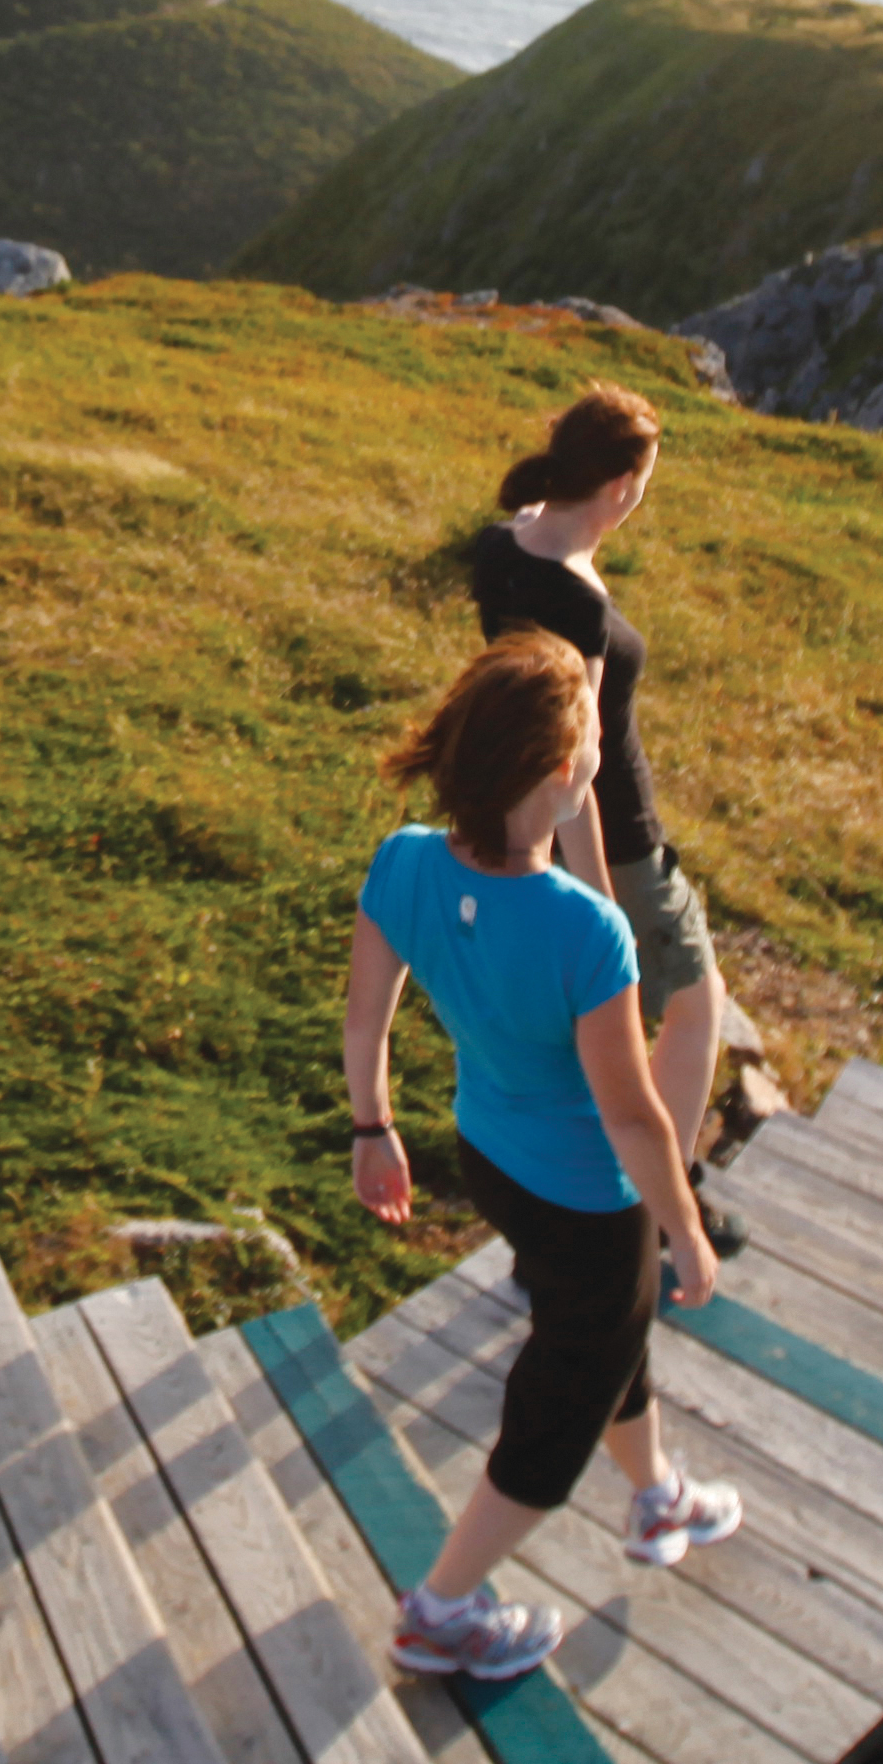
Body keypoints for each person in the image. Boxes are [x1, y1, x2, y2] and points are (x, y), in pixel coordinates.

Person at [341, 630, 745, 1681]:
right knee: (560, 1394)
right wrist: (687, 1232)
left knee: (600, 1332)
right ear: (563, 776)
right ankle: (443, 1609)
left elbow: (364, 1018)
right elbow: (634, 1117)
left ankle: (656, 1490)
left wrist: (373, 1129)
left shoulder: (405, 861)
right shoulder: (584, 931)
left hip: (490, 1160)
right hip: (588, 1199)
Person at [459, 383, 770, 1162]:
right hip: (616, 838)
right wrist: (599, 896)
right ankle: (651, 1191)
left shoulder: (501, 549)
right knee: (696, 1005)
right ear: (622, 487)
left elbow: (532, 527)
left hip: (511, 813)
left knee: (571, 1022)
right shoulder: (581, 608)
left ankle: (584, 1161)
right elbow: (581, 761)